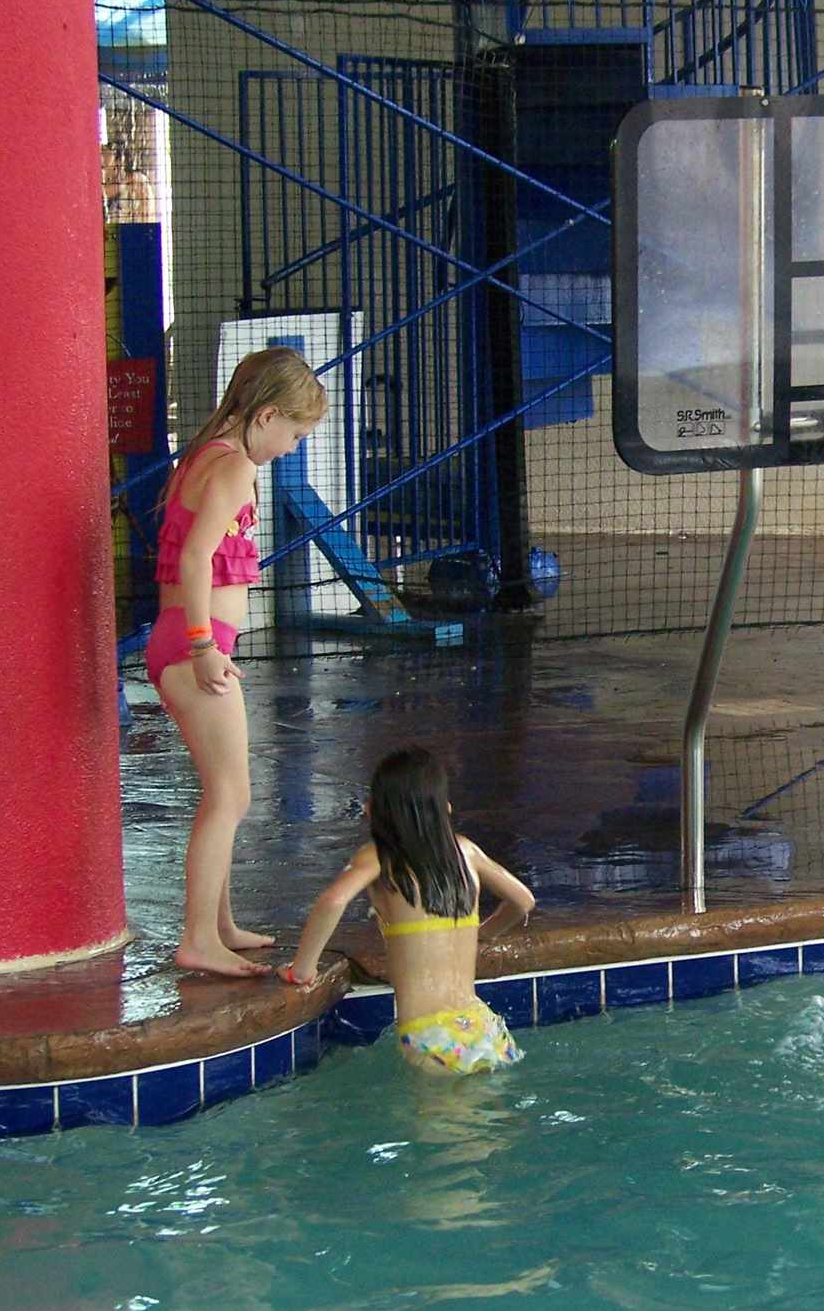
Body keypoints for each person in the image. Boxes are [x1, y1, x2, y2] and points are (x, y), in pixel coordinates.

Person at [150, 346, 325, 976]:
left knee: (222, 794)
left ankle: (219, 923)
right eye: (295, 434)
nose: (291, 448)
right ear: (267, 414)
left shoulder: (204, 455)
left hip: (180, 640)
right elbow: (196, 559)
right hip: (193, 646)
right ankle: (199, 938)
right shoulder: (233, 467)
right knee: (231, 795)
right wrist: (204, 647)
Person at [284, 747, 537, 1075]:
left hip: (431, 1037)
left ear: (372, 809)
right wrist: (483, 934)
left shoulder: (379, 856)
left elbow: (333, 901)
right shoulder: (467, 851)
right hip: (484, 1028)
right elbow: (523, 901)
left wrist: (303, 969)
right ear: (445, 808)